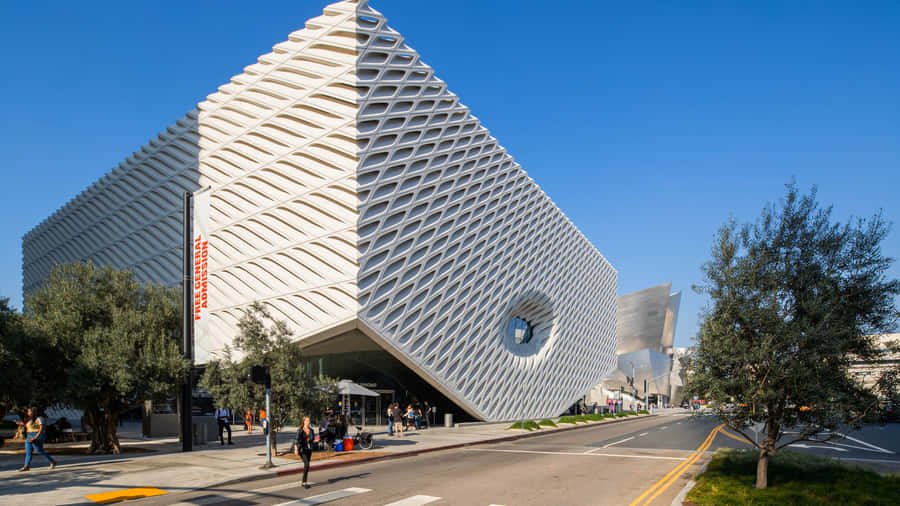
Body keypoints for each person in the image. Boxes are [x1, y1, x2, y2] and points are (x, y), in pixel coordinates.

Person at [16, 407, 56, 471]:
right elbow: (27, 425)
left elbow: (41, 429)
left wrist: (35, 437)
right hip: (29, 435)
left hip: (38, 435)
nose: (28, 413)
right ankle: (26, 466)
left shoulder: (40, 418)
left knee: (38, 451)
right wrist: (20, 423)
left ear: (33, 412)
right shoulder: (29, 419)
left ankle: (52, 462)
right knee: (28, 452)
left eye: (29, 411)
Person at [294, 416, 318, 489]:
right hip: (302, 449)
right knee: (307, 464)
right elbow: (297, 440)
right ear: (304, 421)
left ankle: (304, 481)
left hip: (309, 450)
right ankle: (304, 482)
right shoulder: (300, 430)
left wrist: (316, 440)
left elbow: (312, 440)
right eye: (307, 421)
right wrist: (296, 449)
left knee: (306, 466)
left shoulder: (311, 430)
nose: (308, 422)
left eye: (309, 421)